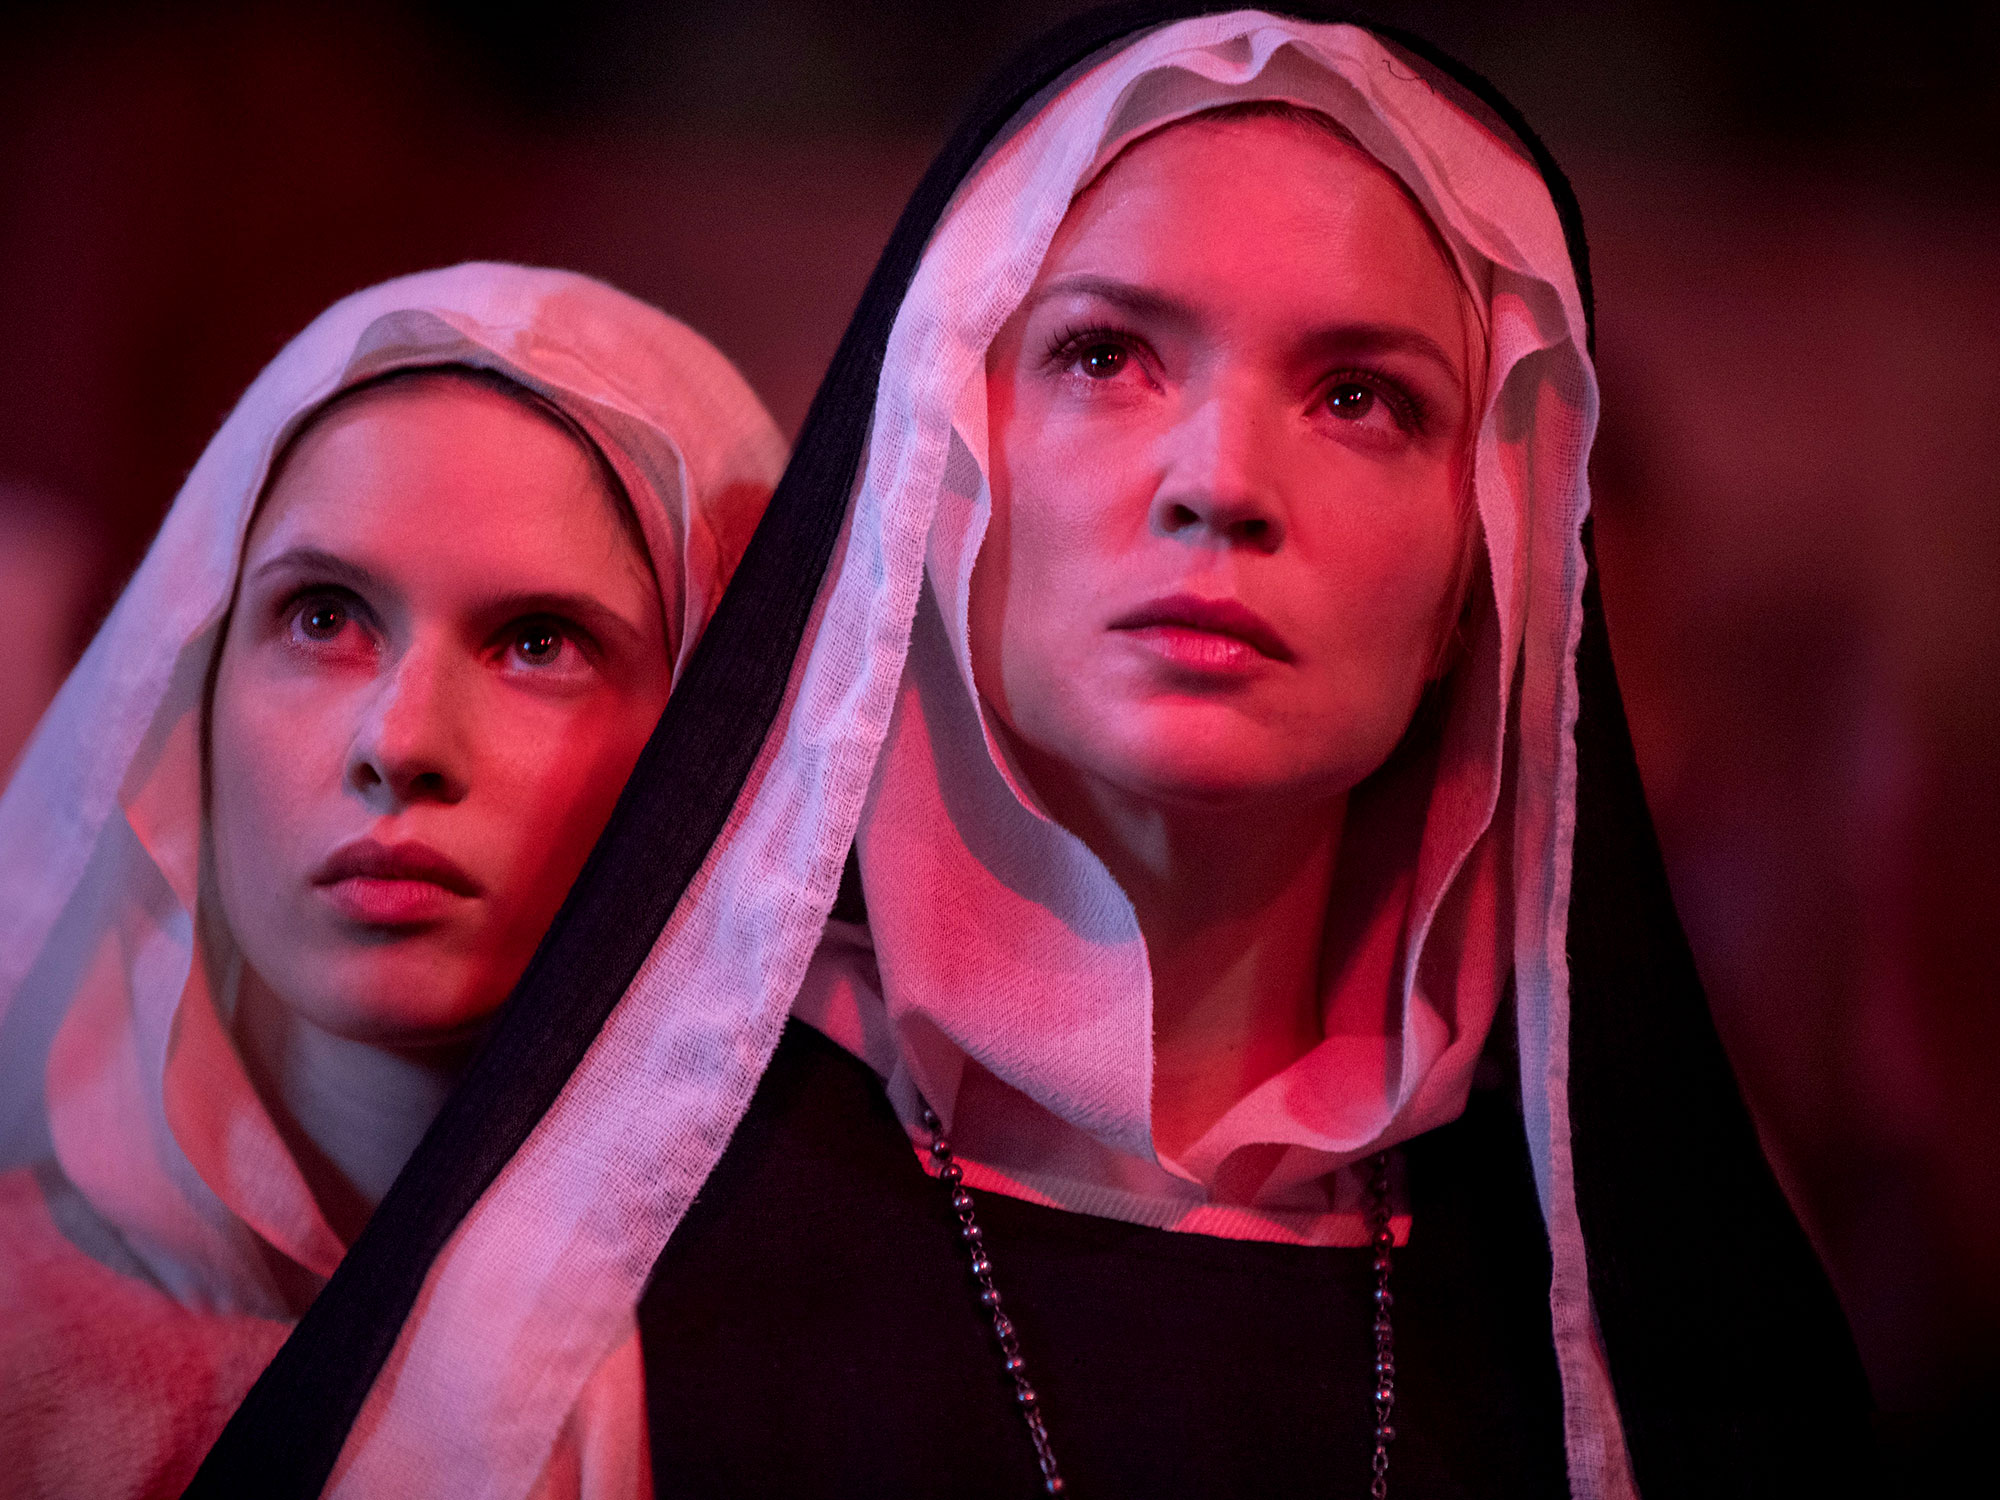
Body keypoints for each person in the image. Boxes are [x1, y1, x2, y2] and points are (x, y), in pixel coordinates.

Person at [185, 11, 1876, 1500]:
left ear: (1480, 574)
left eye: (1362, 397)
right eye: (1104, 355)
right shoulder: (601, 1265)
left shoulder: (1614, 1325)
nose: (1221, 482)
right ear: (932, 487)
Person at [0, 262, 786, 1499]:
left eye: (537, 643)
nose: (401, 741)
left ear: (717, 731)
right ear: (196, 681)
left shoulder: (845, 1363)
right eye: (323, 617)